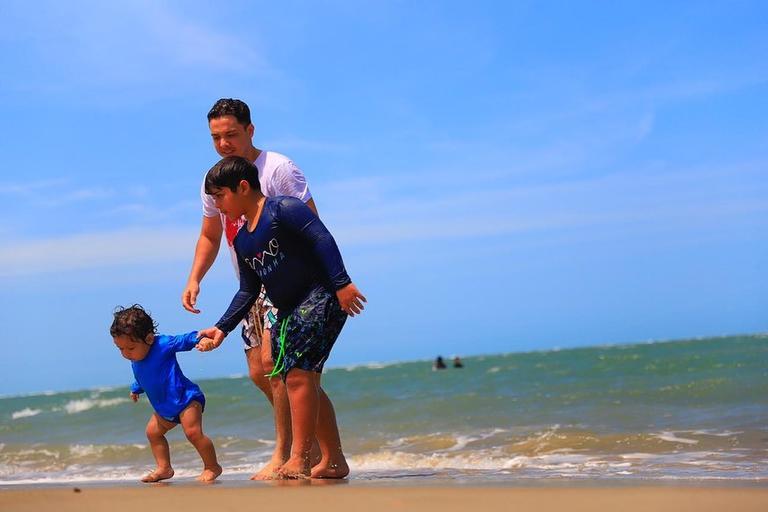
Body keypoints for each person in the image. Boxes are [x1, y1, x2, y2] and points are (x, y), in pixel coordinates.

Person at [181, 98, 326, 479]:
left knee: (276, 367)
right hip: (251, 283)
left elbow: (311, 225)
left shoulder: (278, 169)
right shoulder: (213, 180)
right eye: (216, 137)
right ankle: (321, 452)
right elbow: (210, 236)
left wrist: (314, 289)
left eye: (230, 134)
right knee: (265, 375)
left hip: (286, 282)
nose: (224, 143)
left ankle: (287, 454)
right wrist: (195, 277)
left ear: (250, 130)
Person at [196, 156, 366, 479]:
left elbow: (321, 238)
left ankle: (299, 458)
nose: (217, 204)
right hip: (289, 310)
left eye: (220, 196)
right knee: (303, 380)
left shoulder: (282, 210)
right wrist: (221, 328)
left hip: (320, 294)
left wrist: (342, 283)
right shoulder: (242, 240)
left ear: (242, 187)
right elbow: (248, 291)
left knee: (298, 376)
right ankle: (333, 460)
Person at [110, 304, 222, 483]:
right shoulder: (136, 358)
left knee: (193, 433)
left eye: (129, 348)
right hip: (165, 409)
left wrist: (200, 339)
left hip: (186, 399)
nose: (125, 354)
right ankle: (164, 468)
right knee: (152, 432)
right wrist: (135, 388)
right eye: (120, 349)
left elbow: (183, 339)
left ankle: (212, 466)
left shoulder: (162, 345)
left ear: (149, 338)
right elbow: (144, 376)